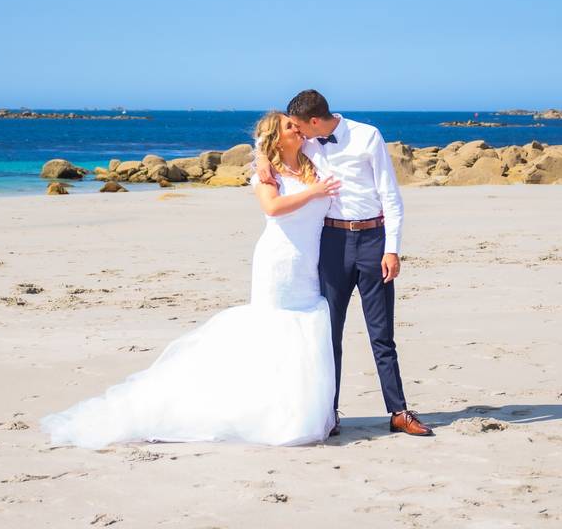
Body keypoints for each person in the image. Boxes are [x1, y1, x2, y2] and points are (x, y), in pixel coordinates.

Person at [39, 111, 342, 448]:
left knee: (303, 332)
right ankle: (267, 414)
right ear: (275, 138)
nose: (297, 129)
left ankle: (297, 412)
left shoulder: (312, 158)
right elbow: (272, 209)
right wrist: (308, 188)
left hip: (308, 266)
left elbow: (336, 136)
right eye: (289, 126)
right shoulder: (267, 175)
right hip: (279, 263)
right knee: (274, 330)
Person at [255, 89, 433, 437]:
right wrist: (261, 159)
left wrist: (392, 248)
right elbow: (269, 143)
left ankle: (398, 411)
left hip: (372, 241)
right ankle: (329, 413)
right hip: (331, 244)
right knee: (328, 334)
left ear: (315, 121)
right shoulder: (307, 142)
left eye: (299, 126)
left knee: (382, 334)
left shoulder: (368, 136)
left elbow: (390, 195)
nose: (297, 132)